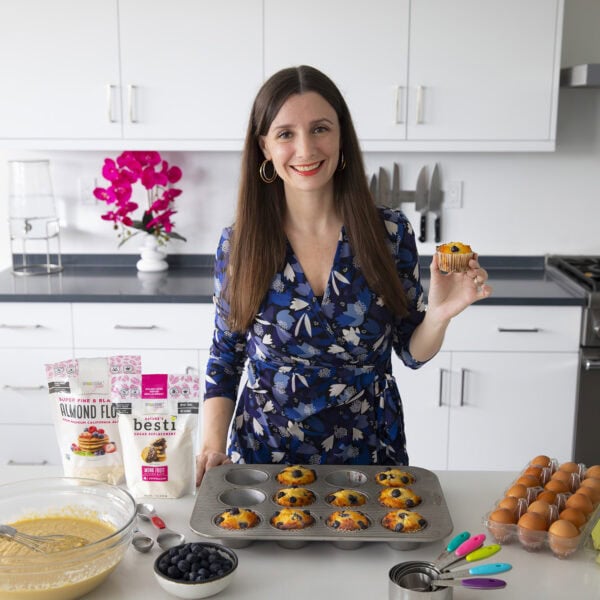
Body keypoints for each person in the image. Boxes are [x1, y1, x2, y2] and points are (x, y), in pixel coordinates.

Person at [196, 65, 491, 485]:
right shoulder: (240, 244)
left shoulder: (389, 233)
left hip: (369, 463)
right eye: (285, 134)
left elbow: (410, 352)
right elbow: (225, 359)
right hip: (263, 466)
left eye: (320, 129)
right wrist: (212, 448)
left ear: (341, 136)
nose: (305, 148)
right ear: (264, 146)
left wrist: (439, 315)